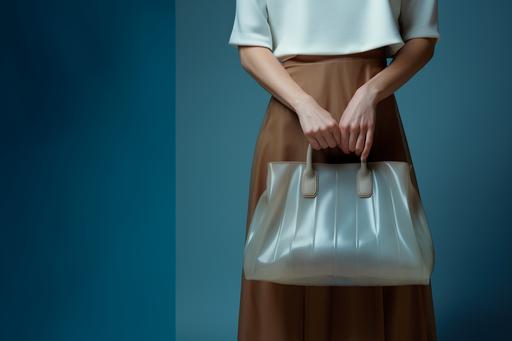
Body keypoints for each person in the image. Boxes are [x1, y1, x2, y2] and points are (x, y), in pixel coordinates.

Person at [228, 0, 440, 340]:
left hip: (371, 116)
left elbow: (423, 38)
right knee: (283, 257)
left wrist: (372, 93)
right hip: (293, 115)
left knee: (380, 254)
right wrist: (302, 104)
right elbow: (250, 46)